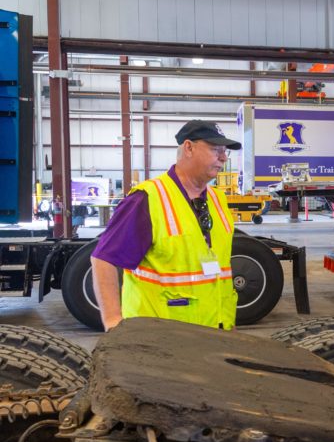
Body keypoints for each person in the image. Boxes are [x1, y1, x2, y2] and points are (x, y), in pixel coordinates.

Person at [91, 120, 239, 331]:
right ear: (188, 148)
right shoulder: (147, 199)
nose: (223, 157)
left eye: (225, 152)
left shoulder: (218, 200)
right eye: (216, 149)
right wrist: (113, 322)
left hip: (215, 333)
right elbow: (103, 259)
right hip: (160, 337)